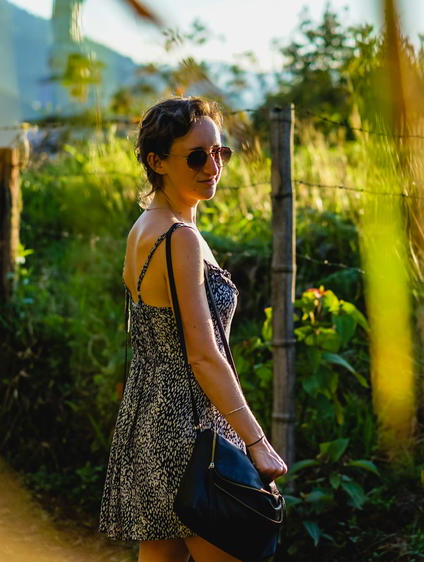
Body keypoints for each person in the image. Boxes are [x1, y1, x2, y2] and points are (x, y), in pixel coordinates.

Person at [98, 96, 288, 562]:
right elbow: (203, 354)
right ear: (156, 162)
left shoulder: (144, 227)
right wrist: (257, 442)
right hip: (191, 433)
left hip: (147, 425)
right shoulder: (179, 239)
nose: (213, 166)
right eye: (196, 156)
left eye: (219, 152)